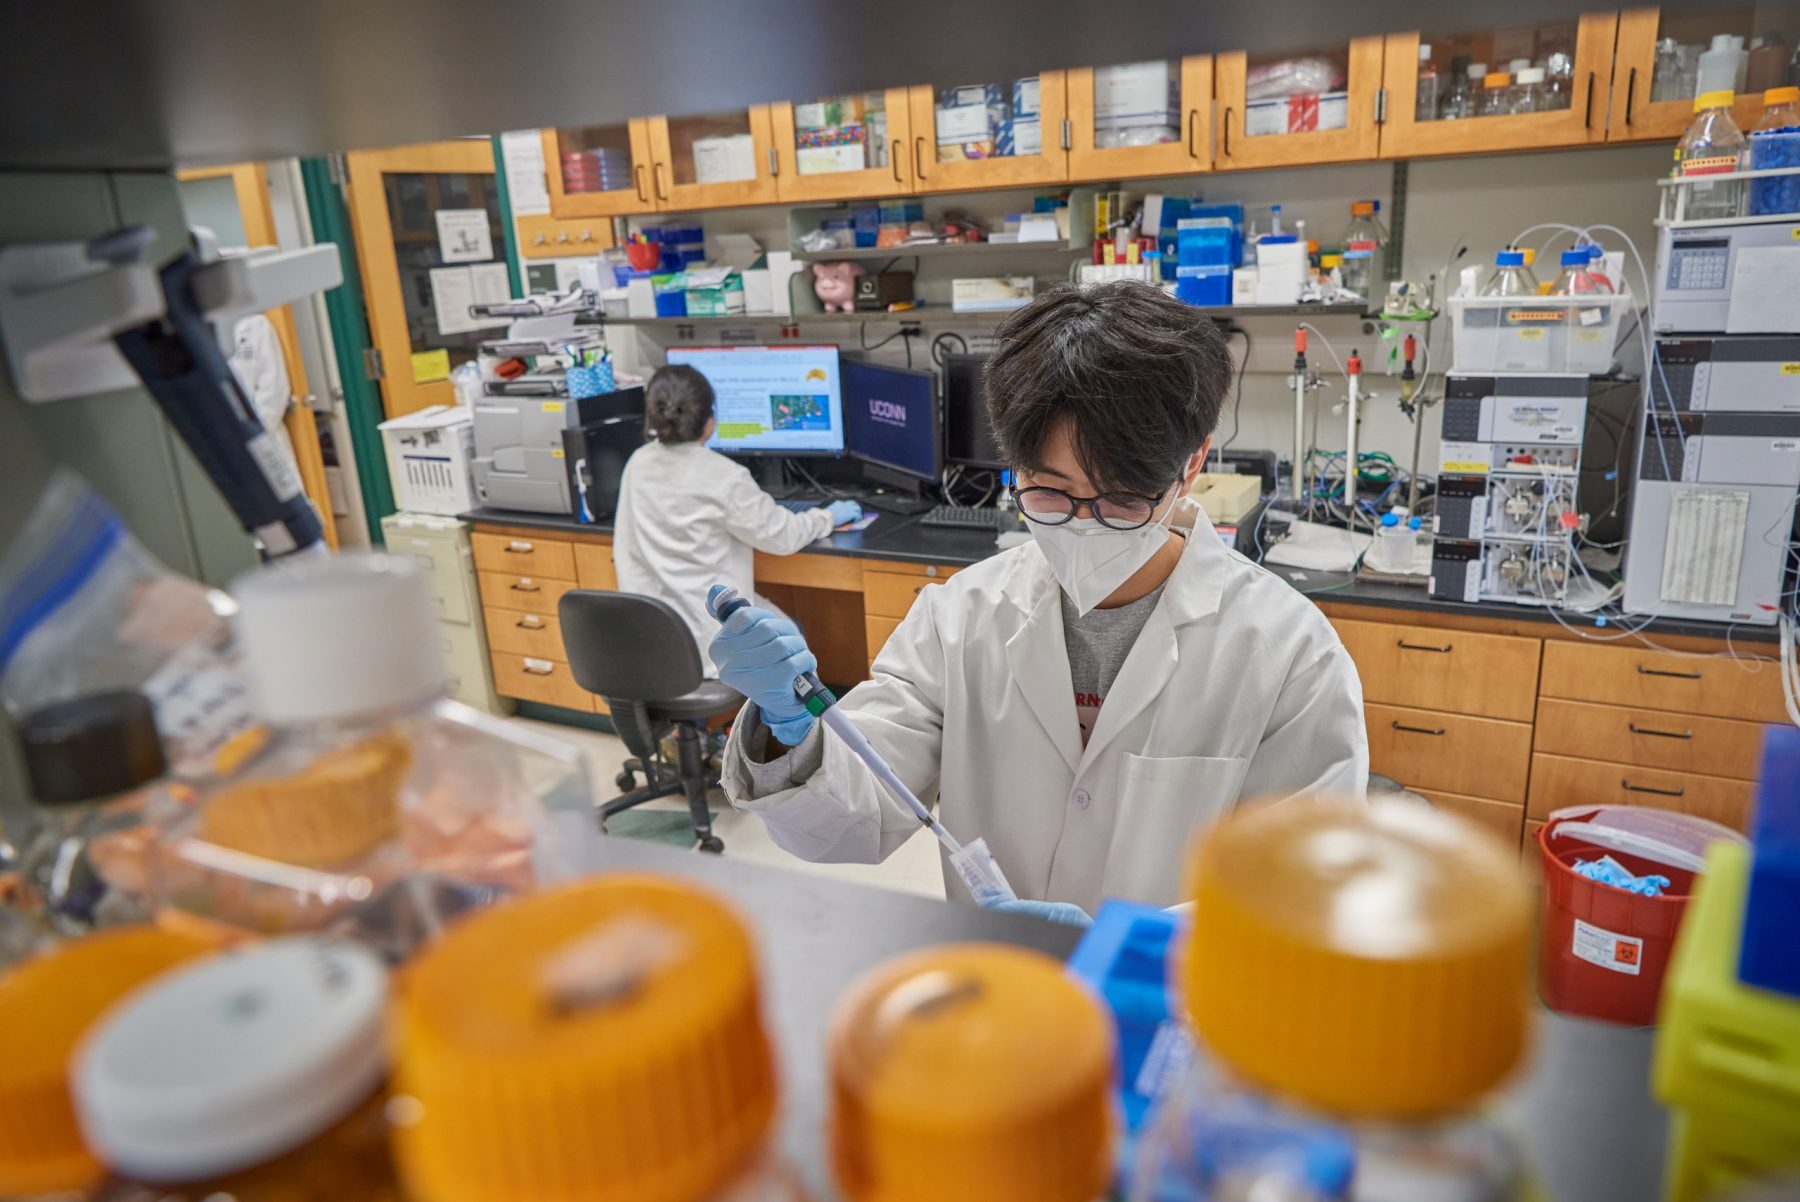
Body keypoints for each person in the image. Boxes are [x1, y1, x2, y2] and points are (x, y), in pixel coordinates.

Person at [709, 282, 1367, 922]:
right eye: (1047, 491)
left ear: (1191, 466)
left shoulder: (1289, 655)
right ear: (1014, 466)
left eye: (1120, 497)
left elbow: (1298, 897)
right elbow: (849, 825)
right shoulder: (958, 620)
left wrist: (1135, 942)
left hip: (1170, 1008)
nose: (1082, 524)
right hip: (1003, 998)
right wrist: (787, 731)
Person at [612, 364, 860, 670]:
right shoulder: (724, 476)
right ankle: (792, 719)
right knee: (792, 644)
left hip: (654, 638)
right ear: (709, 421)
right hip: (713, 638)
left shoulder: (637, 463)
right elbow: (782, 537)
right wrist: (827, 517)